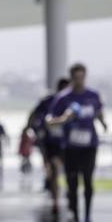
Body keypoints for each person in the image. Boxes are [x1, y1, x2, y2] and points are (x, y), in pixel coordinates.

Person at [47, 63, 107, 222]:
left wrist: (103, 122)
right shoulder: (63, 98)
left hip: (89, 145)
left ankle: (87, 215)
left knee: (88, 180)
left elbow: (99, 111)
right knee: (72, 183)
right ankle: (75, 214)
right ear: (72, 78)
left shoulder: (93, 95)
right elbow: (50, 119)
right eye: (76, 77)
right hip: (71, 147)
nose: (79, 81)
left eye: (82, 77)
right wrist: (63, 119)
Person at [29, 79, 68, 213]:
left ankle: (60, 193)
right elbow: (34, 115)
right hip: (49, 142)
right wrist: (31, 128)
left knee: (60, 170)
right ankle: (55, 199)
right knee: (53, 169)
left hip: (65, 143)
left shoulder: (71, 101)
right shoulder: (47, 101)